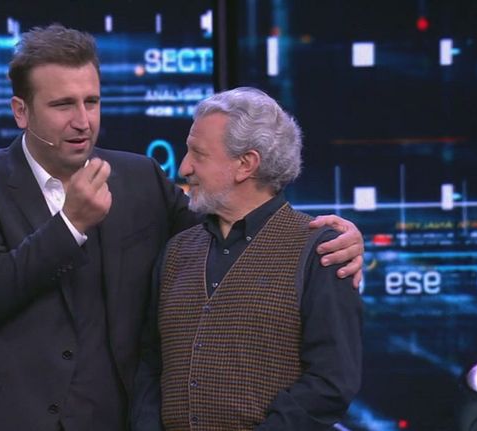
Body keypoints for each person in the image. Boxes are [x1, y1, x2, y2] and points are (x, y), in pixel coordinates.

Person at [0, 25, 363, 431]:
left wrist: (329, 238)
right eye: (63, 105)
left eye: (91, 102)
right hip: (2, 416)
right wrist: (71, 224)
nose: (83, 120)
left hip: (108, 418)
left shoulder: (140, 178)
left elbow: (233, 223)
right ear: (21, 111)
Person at [131, 87, 363, 431]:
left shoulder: (321, 251)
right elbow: (151, 366)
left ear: (245, 164)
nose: (184, 167)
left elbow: (330, 383)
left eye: (198, 154)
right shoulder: (177, 251)